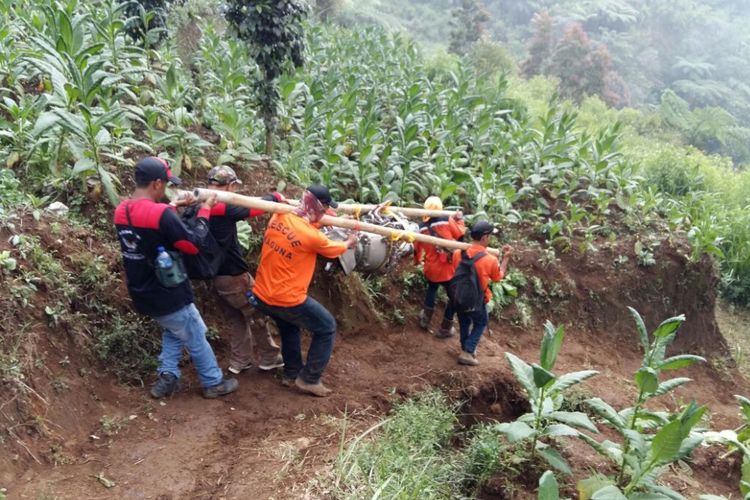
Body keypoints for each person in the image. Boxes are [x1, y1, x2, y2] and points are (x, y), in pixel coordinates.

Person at [114, 156, 238, 399]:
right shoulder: (162, 215)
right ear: (157, 184)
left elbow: (150, 222)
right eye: (167, 183)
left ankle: (167, 377)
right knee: (194, 331)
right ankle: (213, 382)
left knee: (174, 327)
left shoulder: (121, 210)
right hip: (168, 289)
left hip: (141, 289)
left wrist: (175, 207)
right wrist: (204, 210)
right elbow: (193, 245)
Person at [251, 185, 357, 397]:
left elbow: (303, 228)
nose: (327, 212)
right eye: (326, 207)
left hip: (262, 293)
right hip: (286, 298)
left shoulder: (278, 215)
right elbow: (333, 248)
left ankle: (291, 373)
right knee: (326, 327)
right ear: (318, 206)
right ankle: (309, 379)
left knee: (289, 327)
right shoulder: (312, 237)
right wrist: (350, 242)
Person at [204, 165, 285, 374]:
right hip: (234, 276)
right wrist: (275, 196)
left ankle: (240, 361)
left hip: (216, 276)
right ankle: (270, 357)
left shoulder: (201, 203)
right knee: (257, 313)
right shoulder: (222, 207)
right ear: (230, 186)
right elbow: (256, 207)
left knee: (236, 318)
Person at [450, 221, 512, 366]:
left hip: (458, 297)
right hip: (477, 300)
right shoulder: (490, 259)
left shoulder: (458, 253)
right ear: (484, 237)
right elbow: (498, 278)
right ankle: (468, 351)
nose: (489, 239)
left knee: (464, 322)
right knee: (481, 323)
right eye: (489, 236)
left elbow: (455, 271)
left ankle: (466, 348)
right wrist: (506, 258)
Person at [413, 196, 466, 338]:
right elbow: (460, 232)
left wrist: (417, 261)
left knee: (432, 289)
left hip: (432, 268)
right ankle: (446, 327)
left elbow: (417, 249)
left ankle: (425, 319)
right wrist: (459, 219)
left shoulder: (421, 228)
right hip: (449, 268)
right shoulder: (446, 220)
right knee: (453, 297)